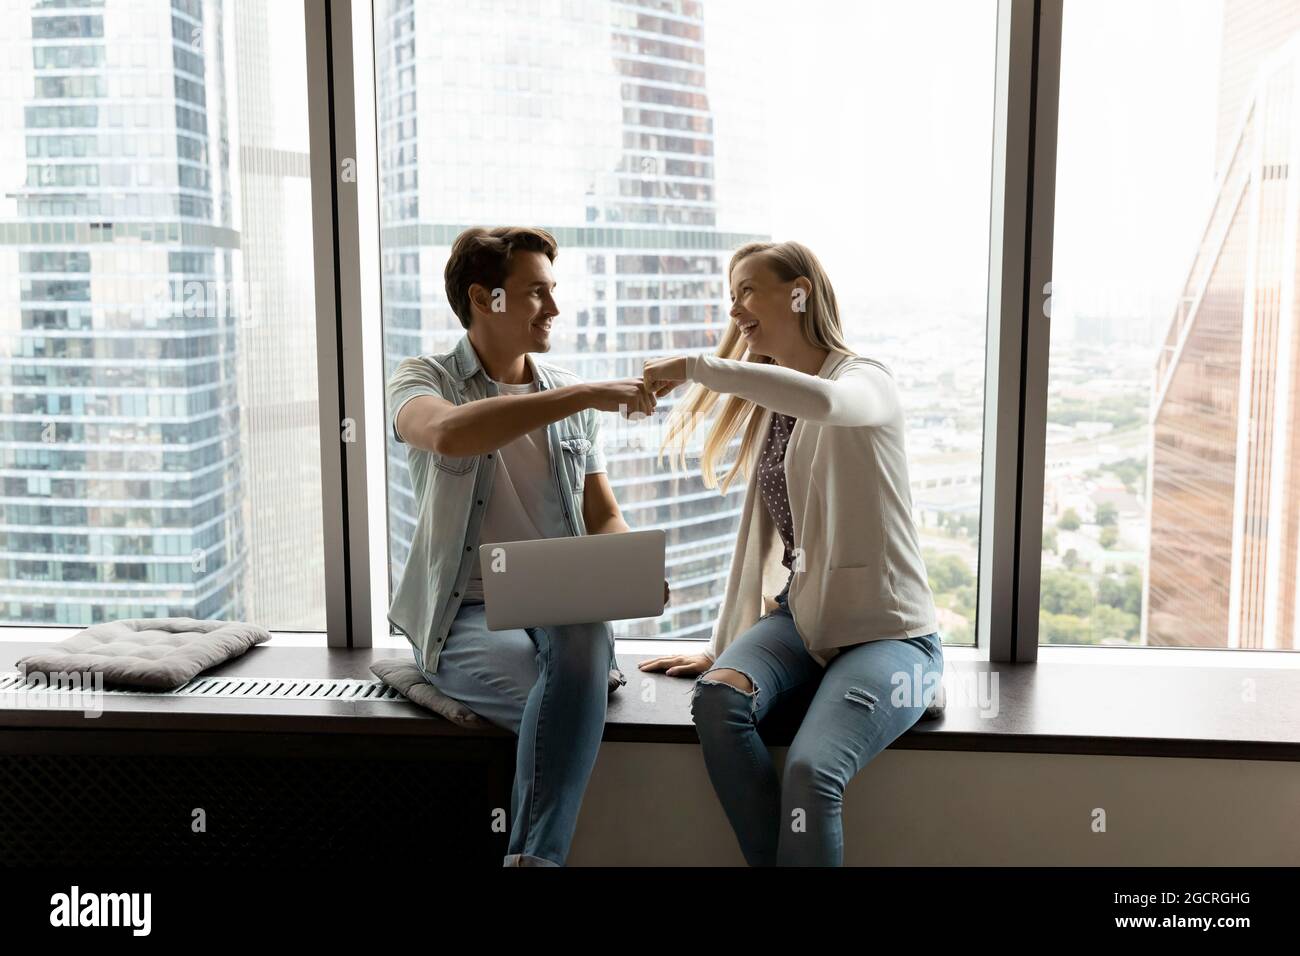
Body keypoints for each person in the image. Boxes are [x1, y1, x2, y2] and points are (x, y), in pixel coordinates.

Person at [638, 240, 943, 866]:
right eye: (731, 297)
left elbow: (828, 403)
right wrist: (724, 644)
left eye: (748, 291)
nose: (736, 311)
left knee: (811, 771)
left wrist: (695, 367)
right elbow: (767, 547)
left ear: (799, 292)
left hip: (889, 634)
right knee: (719, 699)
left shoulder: (865, 380)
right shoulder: (775, 413)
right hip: (801, 622)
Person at [386, 226, 664, 867]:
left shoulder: (568, 394)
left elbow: (603, 514)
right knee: (565, 705)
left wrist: (629, 569)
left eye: (553, 291)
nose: (555, 309)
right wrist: (589, 392)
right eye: (537, 293)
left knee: (583, 636)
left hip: (556, 597)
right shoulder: (422, 378)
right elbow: (451, 435)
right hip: (464, 615)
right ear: (486, 300)